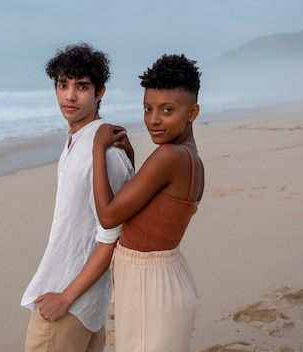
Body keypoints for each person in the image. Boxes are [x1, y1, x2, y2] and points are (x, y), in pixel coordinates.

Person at [20, 43, 134, 352]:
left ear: (100, 92)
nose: (69, 95)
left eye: (81, 86)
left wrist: (65, 298)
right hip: (85, 305)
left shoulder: (103, 151)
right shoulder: (81, 141)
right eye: (62, 85)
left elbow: (110, 235)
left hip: (67, 302)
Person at [92, 53, 204, 351]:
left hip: (150, 285)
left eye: (167, 110)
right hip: (168, 276)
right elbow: (155, 206)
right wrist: (131, 159)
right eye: (147, 108)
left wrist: (96, 149)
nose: (154, 119)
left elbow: (108, 216)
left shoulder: (168, 156)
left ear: (192, 112)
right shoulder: (188, 156)